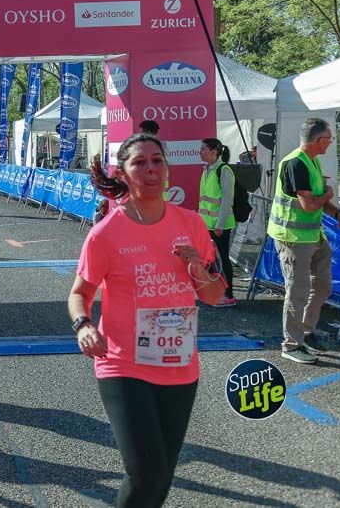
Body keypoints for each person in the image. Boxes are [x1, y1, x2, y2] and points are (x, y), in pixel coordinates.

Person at [68, 134, 223, 508]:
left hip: (180, 365)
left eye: (157, 161)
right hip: (123, 364)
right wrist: (84, 326)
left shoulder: (192, 224)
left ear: (167, 169)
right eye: (140, 163)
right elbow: (79, 293)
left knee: (162, 473)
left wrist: (198, 268)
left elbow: (215, 295)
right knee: (147, 471)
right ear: (123, 173)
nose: (151, 169)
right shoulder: (105, 233)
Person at [267, 118, 340, 364]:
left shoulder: (311, 161)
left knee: (323, 286)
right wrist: (329, 194)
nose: (330, 143)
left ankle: (306, 330)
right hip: (293, 239)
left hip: (313, 235)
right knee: (298, 292)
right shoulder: (296, 164)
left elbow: (317, 201)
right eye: (329, 139)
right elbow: (310, 203)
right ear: (317, 140)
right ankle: (291, 345)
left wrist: (336, 212)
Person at [198, 138, 238, 307]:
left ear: (214, 152)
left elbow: (227, 200)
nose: (200, 152)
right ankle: (215, 293)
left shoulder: (224, 170)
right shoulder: (207, 169)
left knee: (223, 261)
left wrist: (220, 224)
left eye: (203, 149)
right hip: (207, 224)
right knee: (211, 261)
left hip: (220, 226)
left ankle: (229, 295)